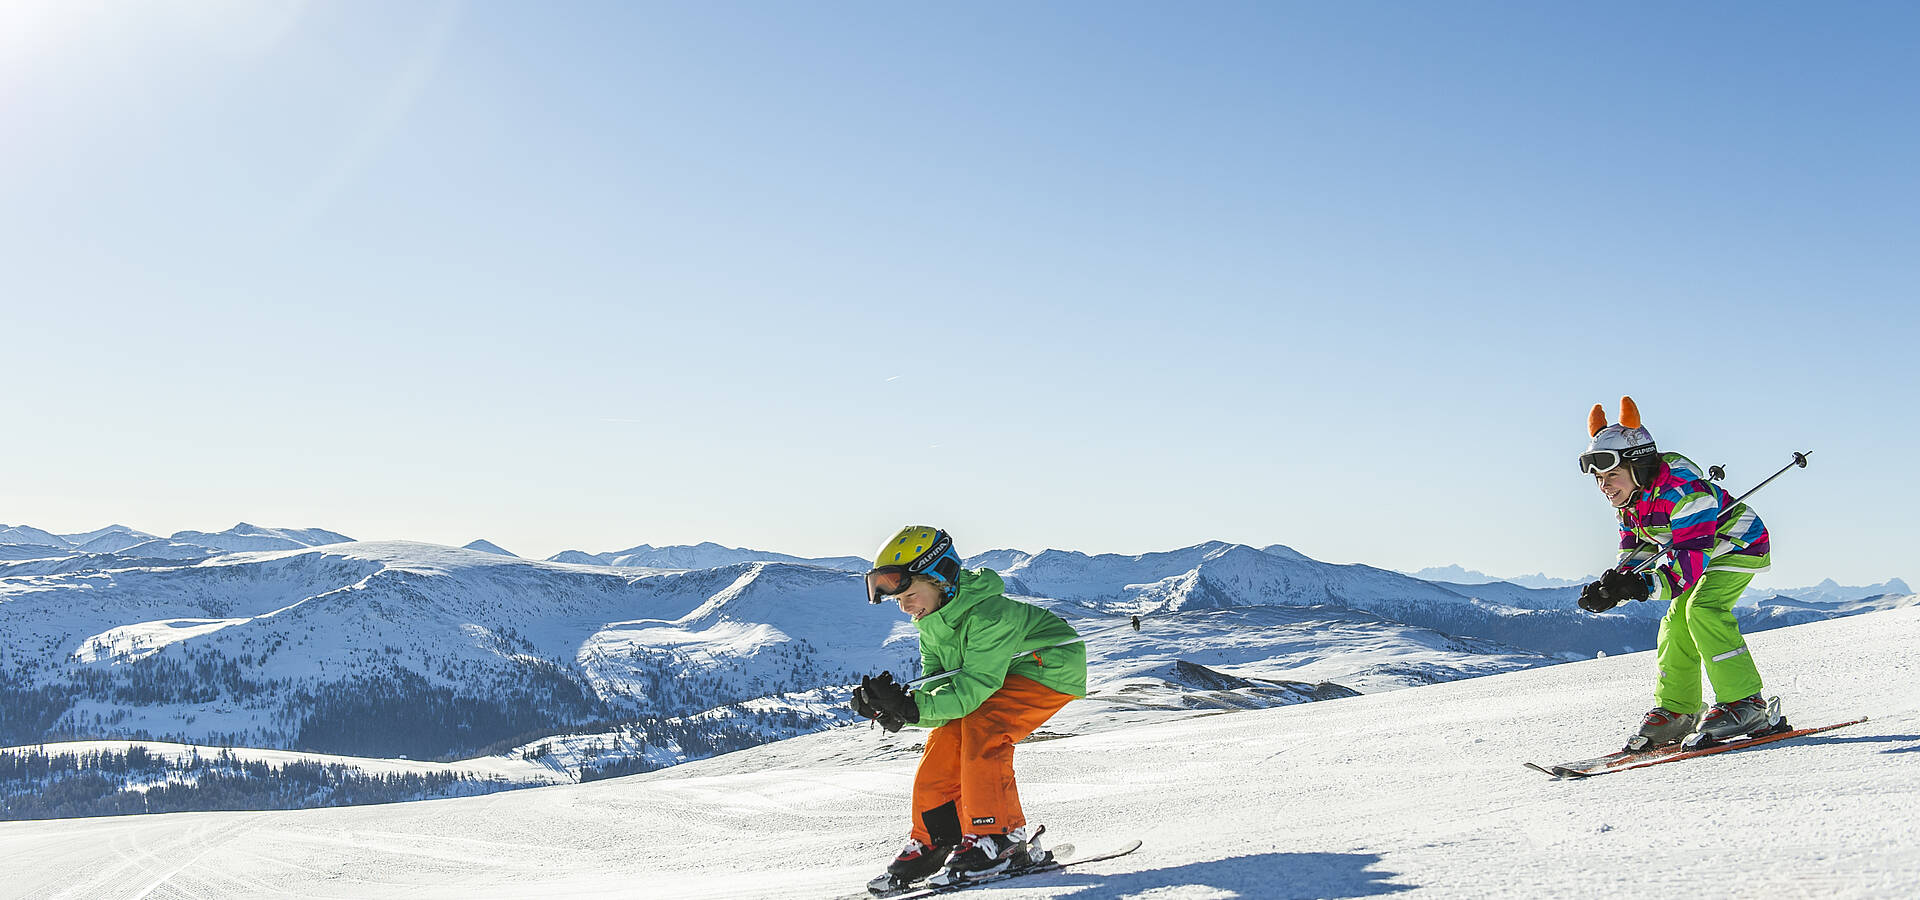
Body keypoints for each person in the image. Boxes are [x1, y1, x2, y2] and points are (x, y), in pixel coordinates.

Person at [853, 525, 1087, 894]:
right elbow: (941, 692)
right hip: (1001, 674)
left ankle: (1000, 838)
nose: (905, 607)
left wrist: (912, 708)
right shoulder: (930, 622)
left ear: (941, 578)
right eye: (899, 600)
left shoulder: (989, 615)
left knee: (985, 727)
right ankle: (939, 839)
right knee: (945, 738)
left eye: (910, 594)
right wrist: (898, 709)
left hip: (1047, 667)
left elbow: (974, 687)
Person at [1576, 397, 1779, 750]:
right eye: (1598, 479)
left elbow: (1686, 565)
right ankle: (1679, 710)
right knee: (1675, 622)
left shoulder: (1686, 495)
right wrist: (1616, 585)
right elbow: (1638, 548)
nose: (1604, 487)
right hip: (1700, 554)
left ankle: (1747, 703)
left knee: (1702, 609)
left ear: (1637, 467)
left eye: (1612, 475)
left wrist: (1640, 587)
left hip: (1738, 546)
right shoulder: (1630, 502)